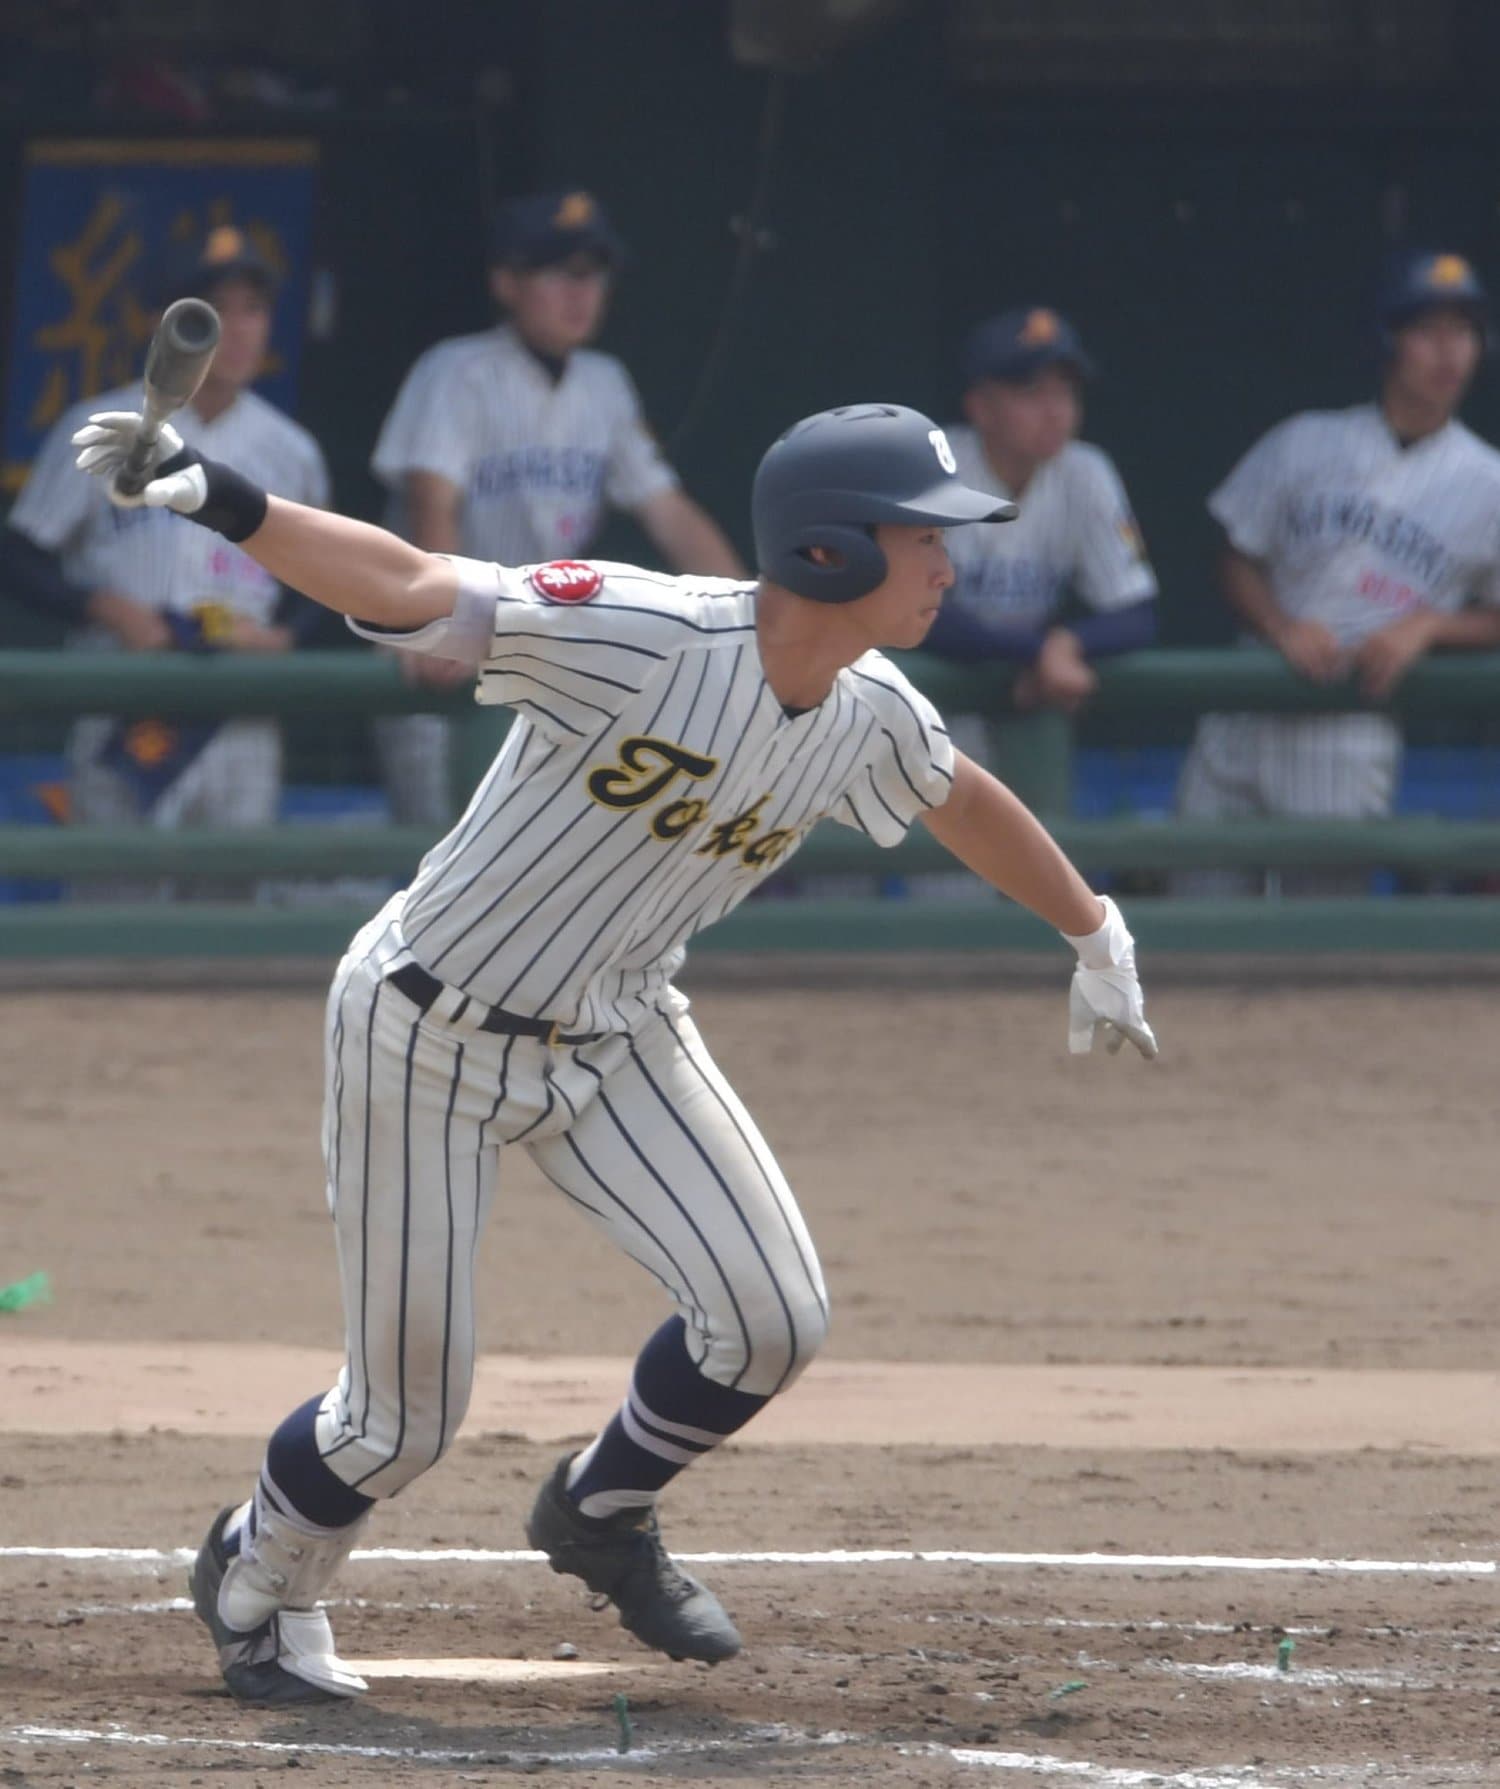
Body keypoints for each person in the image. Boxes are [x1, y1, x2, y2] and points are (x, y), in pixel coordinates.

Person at [72, 397, 1158, 1705]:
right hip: (425, 1029)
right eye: (922, 535)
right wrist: (212, 493)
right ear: (832, 551)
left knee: (771, 1319)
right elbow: (413, 580)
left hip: (621, 1030)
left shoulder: (869, 709)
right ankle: (262, 1577)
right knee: (400, 1422)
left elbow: (960, 798)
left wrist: (1091, 929)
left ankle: (601, 1507)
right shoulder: (639, 627)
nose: (949, 560)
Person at [368, 189, 743, 826]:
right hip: (444, 645)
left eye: (593, 275)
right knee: (436, 850)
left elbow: (668, 511)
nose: (580, 293)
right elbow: (431, 498)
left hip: (543, 652)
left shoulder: (606, 383)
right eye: (558, 274)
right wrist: (446, 620)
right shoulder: (456, 371)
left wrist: (747, 610)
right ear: (507, 283)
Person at [0, 228, 328, 894]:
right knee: (108, 914)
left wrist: (284, 635)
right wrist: (103, 605)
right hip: (123, 701)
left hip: (237, 713)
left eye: (252, 310)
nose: (236, 330)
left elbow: (329, 577)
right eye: (213, 312)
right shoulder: (100, 424)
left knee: (230, 922)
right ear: (165, 326)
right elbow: (18, 555)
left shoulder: (289, 449)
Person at [1176, 250, 1500, 895]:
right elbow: (1237, 555)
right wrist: (1278, 624)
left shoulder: (1488, 482)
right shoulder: (1306, 440)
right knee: (1194, 928)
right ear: (1389, 341)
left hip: (1350, 722)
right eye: (1428, 331)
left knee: (1320, 946)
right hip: (1250, 698)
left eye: (1462, 333)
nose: (1448, 352)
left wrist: (1430, 626)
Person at [924, 307, 1158, 716]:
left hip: (1022, 699)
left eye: (1065, 392)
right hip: (918, 703)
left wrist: (1066, 644)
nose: (1055, 411)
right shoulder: (934, 464)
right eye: (1031, 392)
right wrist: (1036, 652)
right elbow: (916, 614)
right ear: (980, 406)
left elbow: (1136, 614)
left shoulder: (1085, 470)